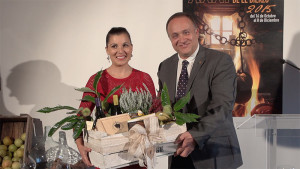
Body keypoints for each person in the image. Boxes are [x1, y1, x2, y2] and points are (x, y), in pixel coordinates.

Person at [157, 12, 243, 169]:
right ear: (170, 39)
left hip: (214, 155)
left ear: (197, 32)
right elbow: (164, 107)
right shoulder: (165, 67)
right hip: (178, 153)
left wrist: (195, 136)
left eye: (186, 32)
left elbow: (222, 106)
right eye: (175, 35)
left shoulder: (220, 61)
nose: (182, 39)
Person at [75, 27, 156, 168]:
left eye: (125, 45)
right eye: (114, 46)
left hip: (138, 159)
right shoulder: (97, 80)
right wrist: (80, 146)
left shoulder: (145, 78)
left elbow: (153, 117)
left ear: (131, 47)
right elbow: (81, 116)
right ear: (107, 50)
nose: (120, 51)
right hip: (108, 160)